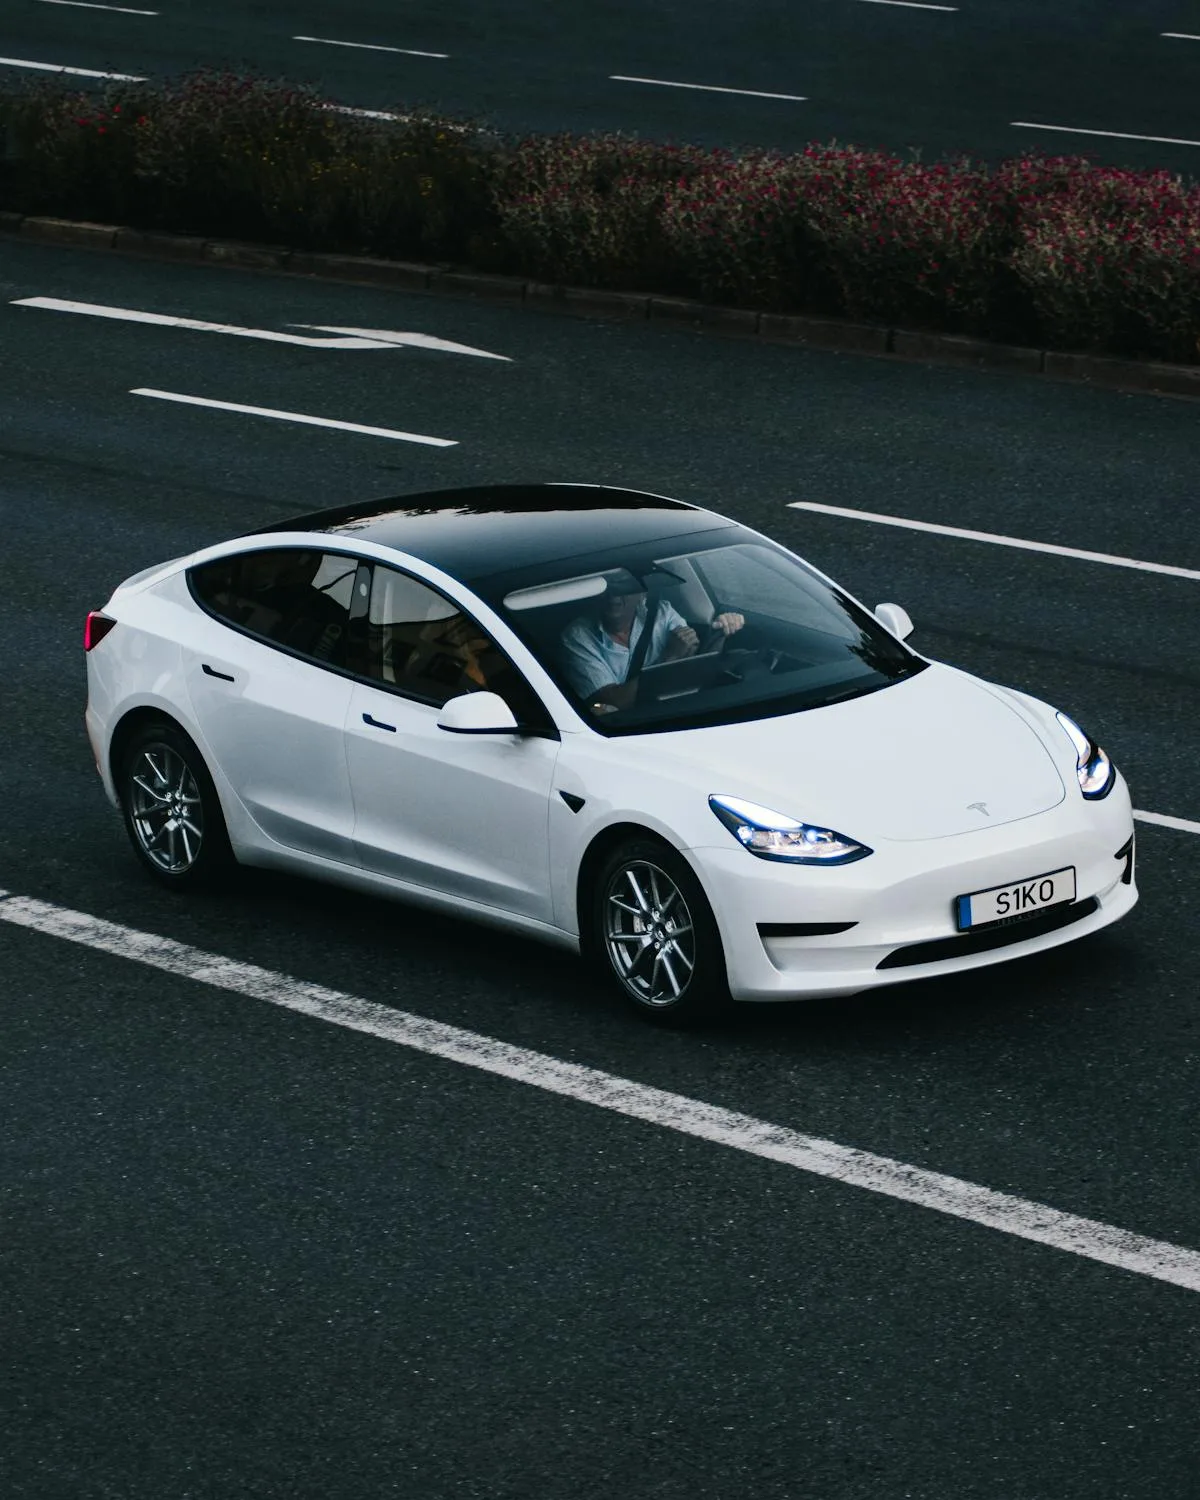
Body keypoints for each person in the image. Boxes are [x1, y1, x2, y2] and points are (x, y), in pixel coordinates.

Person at [560, 579, 745, 712]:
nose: (613, 594)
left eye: (624, 584)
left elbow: (695, 669)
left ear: (642, 594)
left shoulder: (661, 614)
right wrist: (669, 658)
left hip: (677, 711)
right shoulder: (578, 636)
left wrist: (720, 633)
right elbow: (611, 703)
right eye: (606, 584)